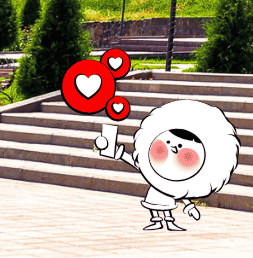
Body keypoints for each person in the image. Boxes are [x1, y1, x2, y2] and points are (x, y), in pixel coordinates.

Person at [95, 99, 240, 232]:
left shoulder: (180, 184)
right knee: (154, 206)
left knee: (166, 208)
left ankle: (169, 222)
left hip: (167, 195)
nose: (174, 150)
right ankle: (157, 221)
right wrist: (118, 153)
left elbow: (183, 193)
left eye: (185, 152)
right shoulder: (150, 168)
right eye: (168, 143)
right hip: (154, 193)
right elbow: (138, 164)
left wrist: (189, 206)